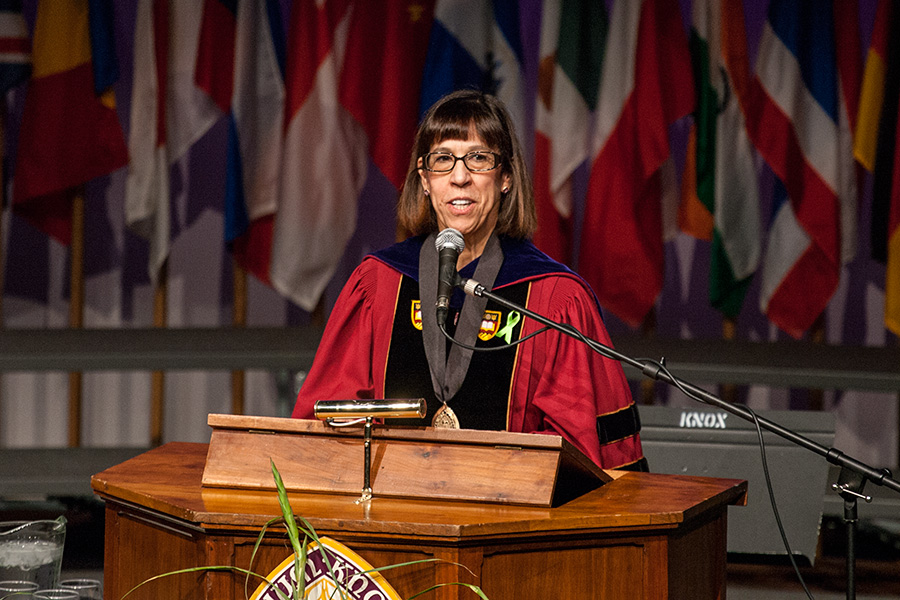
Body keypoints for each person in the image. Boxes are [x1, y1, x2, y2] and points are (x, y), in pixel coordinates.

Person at [292, 90, 646, 471]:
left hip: (509, 520)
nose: (460, 177)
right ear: (424, 179)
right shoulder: (379, 284)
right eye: (443, 159)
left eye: (478, 158)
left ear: (505, 178)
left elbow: (581, 455)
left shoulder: (553, 298)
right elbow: (324, 423)